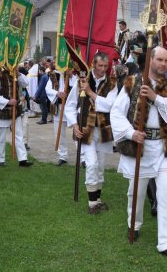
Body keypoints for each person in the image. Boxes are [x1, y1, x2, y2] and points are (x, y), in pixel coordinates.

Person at [111, 46, 167, 261]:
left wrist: (155, 98)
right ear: (150, 60)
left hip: (164, 147)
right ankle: (133, 224)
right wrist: (130, 133)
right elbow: (116, 113)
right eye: (160, 60)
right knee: (136, 191)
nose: (164, 64)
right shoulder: (133, 82)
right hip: (141, 146)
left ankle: (166, 243)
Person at [65, 52, 118, 214]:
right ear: (94, 65)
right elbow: (70, 105)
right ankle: (92, 203)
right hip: (85, 129)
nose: (103, 69)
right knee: (92, 163)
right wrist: (74, 125)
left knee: (100, 166)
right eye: (100, 65)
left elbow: (109, 105)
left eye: (105, 66)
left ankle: (98, 198)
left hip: (103, 130)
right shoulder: (82, 80)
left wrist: (90, 92)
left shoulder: (112, 83)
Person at [0, 67, 32, 167]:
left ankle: (23, 159)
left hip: (15, 111)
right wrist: (7, 102)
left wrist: (19, 73)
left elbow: (26, 83)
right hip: (3, 111)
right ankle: (0, 159)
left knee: (19, 135)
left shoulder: (15, 76)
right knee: (1, 137)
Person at [46, 69, 77, 166]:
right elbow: (48, 89)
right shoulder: (54, 75)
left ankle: (83, 157)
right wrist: (57, 93)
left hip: (73, 107)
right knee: (59, 132)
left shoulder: (77, 75)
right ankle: (62, 156)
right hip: (59, 107)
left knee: (78, 131)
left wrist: (72, 76)